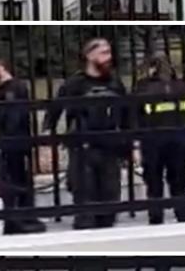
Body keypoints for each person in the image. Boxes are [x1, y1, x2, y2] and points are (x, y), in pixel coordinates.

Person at [42, 37, 132, 230]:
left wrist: (131, 145)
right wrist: (47, 144)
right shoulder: (75, 84)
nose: (109, 57)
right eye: (103, 53)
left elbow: (126, 115)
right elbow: (53, 112)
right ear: (89, 55)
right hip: (83, 148)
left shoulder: (115, 83)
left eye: (109, 52)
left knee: (110, 200)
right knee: (85, 201)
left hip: (110, 147)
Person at [0, 59, 46, 235]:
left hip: (16, 141)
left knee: (19, 179)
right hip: (10, 141)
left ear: (1, 68)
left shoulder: (14, 88)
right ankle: (19, 217)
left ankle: (24, 218)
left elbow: (13, 116)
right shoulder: (1, 89)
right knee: (11, 179)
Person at [132, 56, 185, 223]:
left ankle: (156, 217)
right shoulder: (182, 87)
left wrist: (134, 143)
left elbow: (135, 115)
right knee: (179, 183)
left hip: (153, 142)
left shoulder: (143, 88)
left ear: (152, 69)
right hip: (179, 141)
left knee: (154, 183)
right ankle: (183, 214)